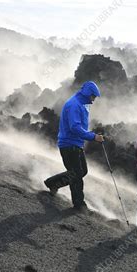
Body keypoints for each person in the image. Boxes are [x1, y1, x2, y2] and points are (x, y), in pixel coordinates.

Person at [44, 81, 104, 210]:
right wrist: (93, 137)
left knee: (81, 171)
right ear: (88, 94)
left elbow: (79, 126)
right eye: (93, 96)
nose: (94, 100)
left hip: (75, 144)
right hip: (68, 144)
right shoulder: (74, 105)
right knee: (77, 173)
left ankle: (53, 183)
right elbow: (75, 127)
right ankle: (79, 204)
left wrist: (91, 135)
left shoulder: (81, 103)